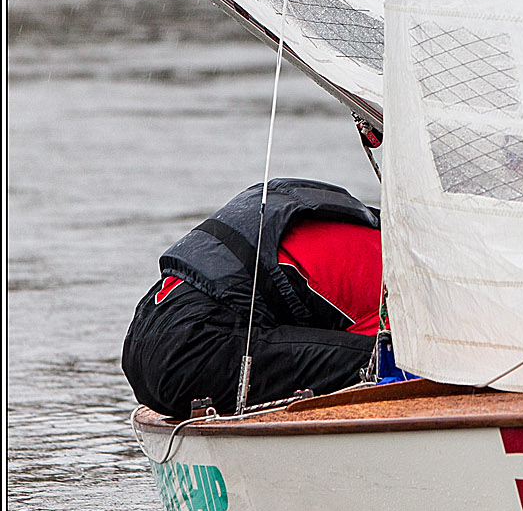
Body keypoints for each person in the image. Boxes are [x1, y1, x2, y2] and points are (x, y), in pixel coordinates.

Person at [122, 177, 383, 418]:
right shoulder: (387, 268)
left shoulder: (336, 219)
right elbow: (390, 355)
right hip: (194, 351)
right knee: (384, 362)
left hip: (143, 336)